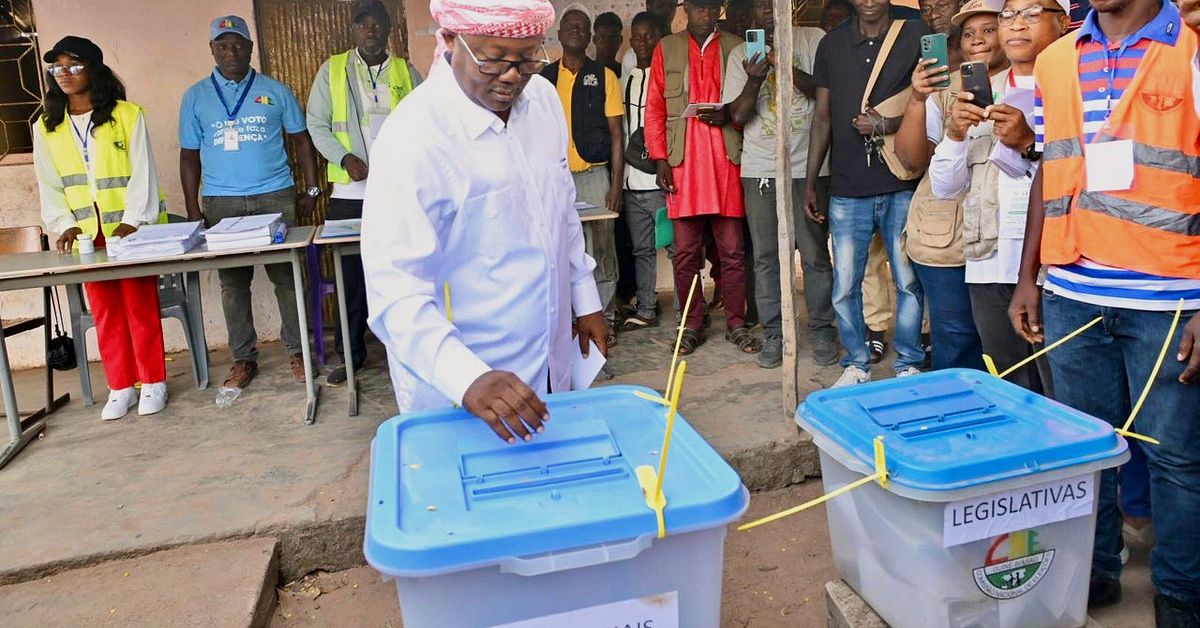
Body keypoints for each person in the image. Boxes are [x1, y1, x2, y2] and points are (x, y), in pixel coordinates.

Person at [1010, 0, 1200, 620]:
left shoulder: (1192, 54)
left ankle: (1179, 596)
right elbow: (1049, 169)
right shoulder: (1056, 59)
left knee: (1177, 460)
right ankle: (1093, 575)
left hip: (1169, 301)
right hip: (1073, 293)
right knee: (1084, 450)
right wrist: (1029, 275)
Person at [361, 0, 608, 443]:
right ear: (451, 41)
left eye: (529, 57)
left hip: (551, 361)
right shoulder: (413, 137)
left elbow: (561, 208)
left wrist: (584, 298)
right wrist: (467, 376)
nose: (513, 75)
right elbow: (394, 292)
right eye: (494, 59)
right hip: (467, 389)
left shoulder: (544, 101)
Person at [926, 0, 1063, 389]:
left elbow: (1079, 178)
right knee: (1010, 387)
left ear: (1062, 23)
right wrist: (954, 135)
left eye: (1032, 14)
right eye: (1007, 17)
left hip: (1056, 269)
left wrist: (1029, 144)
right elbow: (945, 188)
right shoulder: (982, 96)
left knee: (1062, 393)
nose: (1017, 25)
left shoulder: (1072, 86)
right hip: (988, 260)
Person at [179, 15, 319, 395]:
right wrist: (193, 209)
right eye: (222, 44)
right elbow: (189, 156)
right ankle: (243, 358)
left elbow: (302, 141)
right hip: (221, 202)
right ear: (212, 49)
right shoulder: (195, 96)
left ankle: (298, 351)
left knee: (287, 279)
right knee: (233, 284)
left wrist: (310, 190)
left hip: (275, 196)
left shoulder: (275, 91)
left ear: (250, 48)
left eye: (238, 43)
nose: (231, 51)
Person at [34, 36, 169, 421]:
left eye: (73, 65)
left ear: (94, 69)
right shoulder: (47, 126)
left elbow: (144, 172)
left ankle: (153, 381)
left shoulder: (127, 114)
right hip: (84, 231)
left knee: (139, 304)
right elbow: (49, 182)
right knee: (105, 309)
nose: (64, 74)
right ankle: (121, 386)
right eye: (57, 68)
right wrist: (63, 224)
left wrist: (134, 219)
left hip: (128, 227)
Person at [806, 0, 929, 386]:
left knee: (909, 281)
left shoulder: (915, 33)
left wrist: (888, 123)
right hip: (847, 186)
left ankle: (908, 359)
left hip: (902, 181)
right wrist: (812, 180)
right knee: (846, 286)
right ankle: (856, 363)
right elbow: (822, 117)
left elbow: (934, 101)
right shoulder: (832, 45)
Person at [306, 0, 422, 387]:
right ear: (354, 31)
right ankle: (352, 356)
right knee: (350, 278)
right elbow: (316, 124)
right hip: (349, 193)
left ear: (389, 30)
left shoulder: (406, 72)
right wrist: (344, 156)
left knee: (405, 273)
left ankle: (406, 353)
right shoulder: (333, 70)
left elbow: (427, 123)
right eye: (362, 25)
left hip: (400, 192)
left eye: (377, 24)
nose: (370, 30)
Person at [893, 0, 1006, 371]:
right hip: (945, 238)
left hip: (1009, 239)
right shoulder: (946, 88)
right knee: (956, 339)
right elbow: (912, 159)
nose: (979, 41)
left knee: (1007, 344)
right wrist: (917, 98)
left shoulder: (1035, 80)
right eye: (970, 33)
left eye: (990, 30)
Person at [724, 0, 837, 368]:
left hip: (810, 167)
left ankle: (822, 329)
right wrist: (756, 76)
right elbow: (739, 116)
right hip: (760, 169)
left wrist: (781, 64)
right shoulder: (742, 52)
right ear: (753, 12)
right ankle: (775, 333)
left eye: (776, 3)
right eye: (760, 5)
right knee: (767, 258)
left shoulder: (815, 40)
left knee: (816, 255)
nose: (769, 11)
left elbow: (826, 96)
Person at [645, 0, 762, 357]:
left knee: (732, 252)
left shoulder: (735, 46)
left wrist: (729, 114)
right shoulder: (667, 47)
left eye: (712, 8)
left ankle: (736, 322)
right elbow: (655, 107)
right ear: (687, 10)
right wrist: (661, 159)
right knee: (684, 255)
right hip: (682, 165)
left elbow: (749, 106)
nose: (706, 14)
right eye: (699, 7)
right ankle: (691, 323)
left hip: (726, 162)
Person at [541, 5, 625, 340]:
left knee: (601, 248)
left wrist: (616, 185)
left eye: (582, 26)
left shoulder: (604, 76)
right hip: (554, 179)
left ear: (590, 36)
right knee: (558, 250)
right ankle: (569, 323)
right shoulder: (542, 79)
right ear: (559, 33)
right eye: (570, 26)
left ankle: (605, 317)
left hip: (594, 176)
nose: (576, 30)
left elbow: (617, 135)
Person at [620, 11, 669, 331]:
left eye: (648, 36)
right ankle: (647, 308)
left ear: (659, 39)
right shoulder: (624, 80)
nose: (641, 42)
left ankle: (688, 310)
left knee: (677, 249)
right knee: (641, 249)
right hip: (630, 181)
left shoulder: (664, 78)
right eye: (636, 36)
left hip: (660, 179)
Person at [623, 0, 681, 75]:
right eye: (660, 5)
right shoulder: (632, 56)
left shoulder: (681, 48)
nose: (667, 11)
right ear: (649, 6)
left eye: (672, 6)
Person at [594, 11, 625, 76]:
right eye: (603, 36)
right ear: (594, 40)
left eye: (613, 37)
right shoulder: (584, 71)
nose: (607, 41)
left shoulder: (625, 72)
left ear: (621, 40)